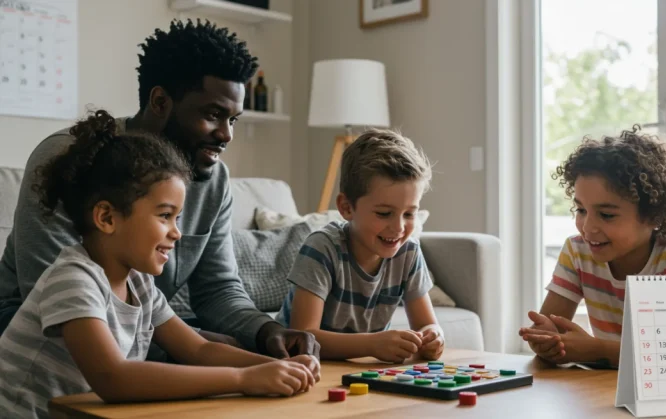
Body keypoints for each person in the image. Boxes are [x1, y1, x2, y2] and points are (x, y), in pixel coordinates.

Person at [0, 19, 318, 358]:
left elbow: (217, 290)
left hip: (137, 324)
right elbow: (49, 295)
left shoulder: (214, 181)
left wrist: (267, 332)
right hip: (35, 326)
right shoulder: (72, 157)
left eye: (233, 120)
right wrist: (189, 350)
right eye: (213, 114)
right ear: (160, 101)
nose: (227, 134)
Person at [0, 111, 321, 419]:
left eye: (178, 218)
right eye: (165, 215)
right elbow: (113, 378)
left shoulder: (139, 284)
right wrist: (243, 379)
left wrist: (272, 366)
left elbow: (198, 350)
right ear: (107, 217)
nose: (177, 232)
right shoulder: (72, 280)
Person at [519, 125, 666, 367]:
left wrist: (596, 350)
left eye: (606, 215)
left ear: (654, 216)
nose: (588, 228)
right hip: (602, 383)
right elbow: (549, 328)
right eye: (581, 210)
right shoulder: (577, 251)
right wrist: (546, 339)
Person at [275, 128, 444, 363]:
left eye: (409, 214)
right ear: (346, 208)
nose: (398, 227)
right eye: (384, 213)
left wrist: (433, 336)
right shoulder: (322, 248)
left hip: (356, 370)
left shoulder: (408, 253)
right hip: (295, 365)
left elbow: (427, 324)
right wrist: (372, 344)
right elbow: (302, 338)